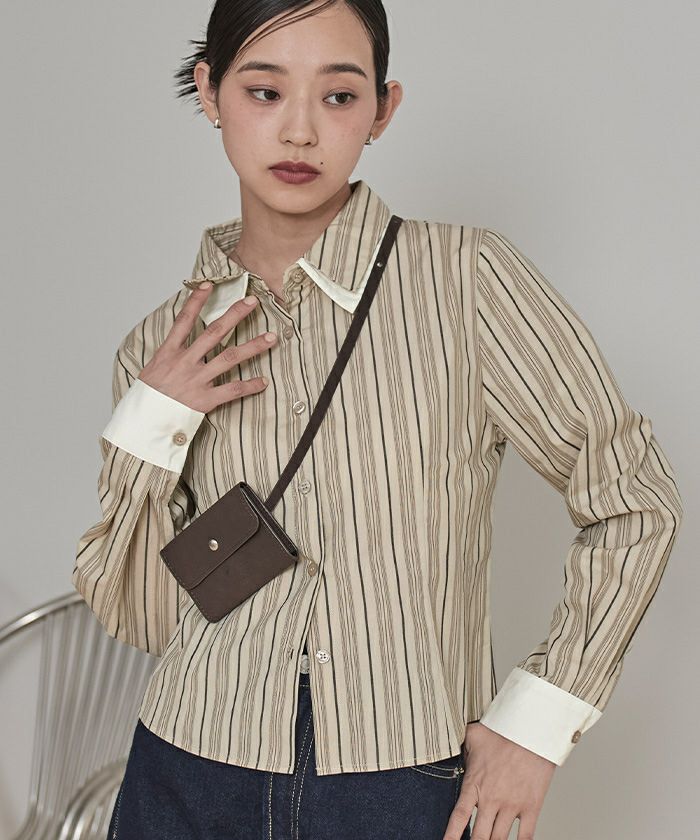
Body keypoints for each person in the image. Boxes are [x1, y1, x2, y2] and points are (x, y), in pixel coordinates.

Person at [71, 1, 684, 839]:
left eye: (338, 96)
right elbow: (146, 620)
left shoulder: (466, 279)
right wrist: (154, 417)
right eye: (263, 91)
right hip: (187, 772)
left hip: (401, 783)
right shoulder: (159, 346)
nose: (299, 131)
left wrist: (535, 729)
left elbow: (634, 501)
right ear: (209, 92)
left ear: (382, 109)